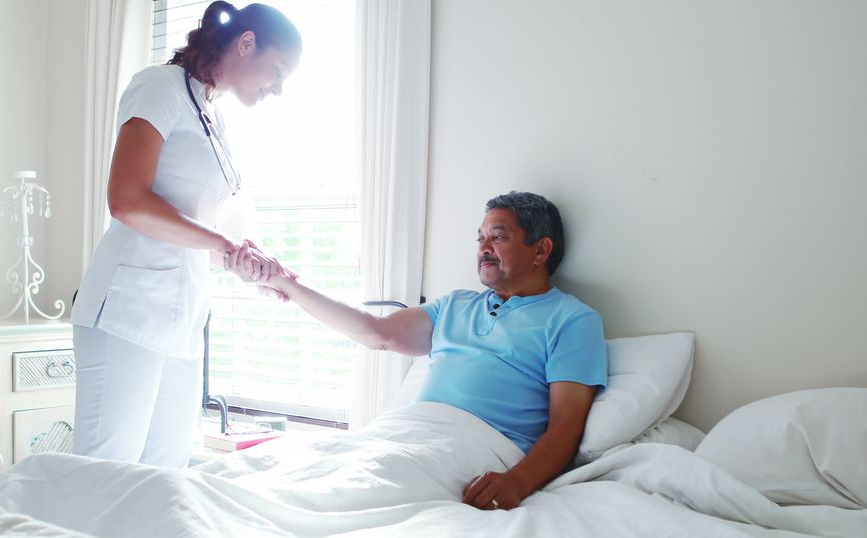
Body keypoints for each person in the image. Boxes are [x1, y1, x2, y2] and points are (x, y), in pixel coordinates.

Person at [226, 191, 607, 510]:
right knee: (280, 475)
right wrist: (284, 283)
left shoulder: (572, 320)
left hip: (477, 445)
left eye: (498, 237)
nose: (483, 249)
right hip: (403, 431)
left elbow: (566, 425)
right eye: (480, 239)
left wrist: (517, 482)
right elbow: (375, 332)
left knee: (344, 492)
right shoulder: (456, 305)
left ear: (540, 250)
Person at [69, 0, 300, 467]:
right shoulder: (159, 87)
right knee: (106, 470)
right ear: (246, 43)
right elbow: (127, 200)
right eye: (277, 71)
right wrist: (224, 244)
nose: (277, 88)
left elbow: (205, 230)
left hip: (184, 318)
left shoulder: (212, 117)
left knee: (166, 472)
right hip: (128, 309)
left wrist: (251, 264)